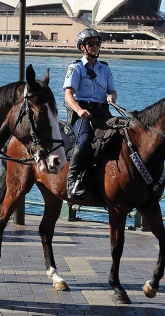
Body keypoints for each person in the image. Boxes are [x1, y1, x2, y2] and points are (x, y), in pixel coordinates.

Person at [63, 28, 118, 201]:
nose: (95, 47)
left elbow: (113, 91)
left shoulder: (105, 68)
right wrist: (79, 110)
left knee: (120, 135)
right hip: (83, 114)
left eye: (97, 43)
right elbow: (68, 95)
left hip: (102, 111)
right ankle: (72, 183)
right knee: (85, 140)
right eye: (91, 44)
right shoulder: (76, 67)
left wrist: (111, 97)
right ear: (82, 47)